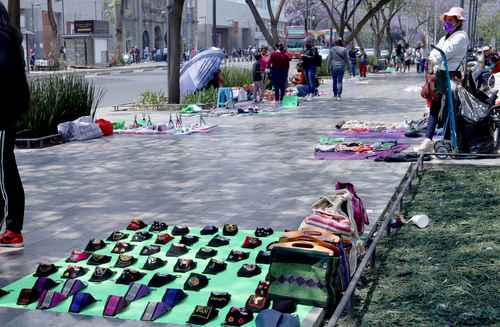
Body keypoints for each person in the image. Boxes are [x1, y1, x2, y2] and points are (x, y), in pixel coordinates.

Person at [415, 7, 469, 153]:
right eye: (446, 20)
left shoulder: (461, 37)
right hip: (440, 75)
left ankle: (447, 141)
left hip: (451, 76)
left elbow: (442, 53)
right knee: (434, 106)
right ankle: (428, 139)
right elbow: (434, 52)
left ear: (458, 22)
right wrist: (432, 58)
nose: (447, 23)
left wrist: (433, 57)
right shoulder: (444, 37)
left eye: (450, 20)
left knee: (449, 108)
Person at [0, 3, 30, 248]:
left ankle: (12, 228)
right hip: (7, 113)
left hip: (1, 115)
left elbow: (5, 76)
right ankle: (11, 227)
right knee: (5, 170)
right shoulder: (7, 38)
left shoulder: (2, 39)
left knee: (3, 172)